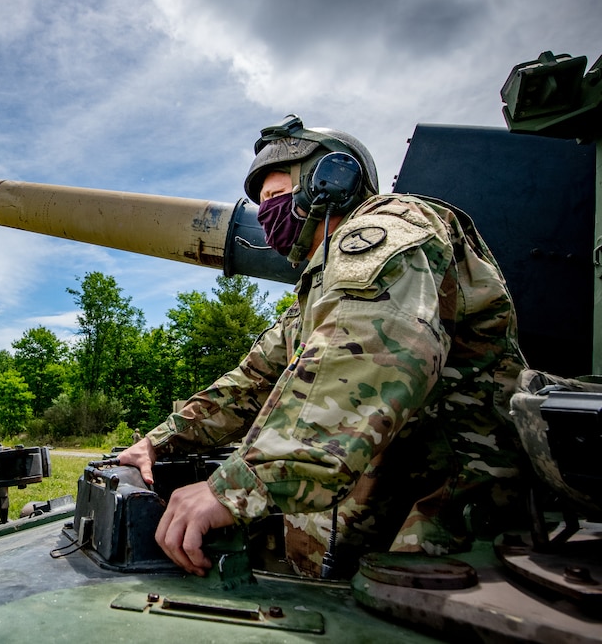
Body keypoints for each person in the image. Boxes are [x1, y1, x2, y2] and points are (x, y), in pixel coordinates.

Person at [118, 115, 526, 578]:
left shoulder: (391, 227)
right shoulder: (315, 295)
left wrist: (234, 489)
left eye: (274, 197)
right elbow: (248, 384)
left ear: (329, 184)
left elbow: (370, 347)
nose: (266, 214)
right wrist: (158, 441)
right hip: (378, 530)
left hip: (449, 533)